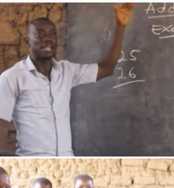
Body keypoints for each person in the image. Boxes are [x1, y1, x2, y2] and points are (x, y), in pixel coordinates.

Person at [0, 4, 134, 156]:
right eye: (40, 34)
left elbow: (107, 68)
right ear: (27, 41)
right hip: (31, 159)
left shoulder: (66, 71)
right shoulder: (12, 77)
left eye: (52, 34)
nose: (47, 39)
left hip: (67, 158)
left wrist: (120, 25)